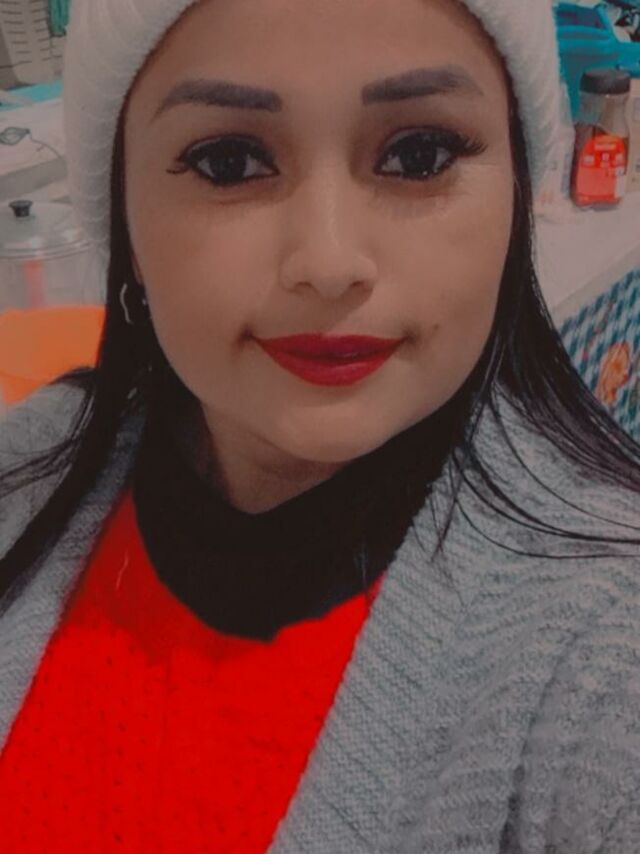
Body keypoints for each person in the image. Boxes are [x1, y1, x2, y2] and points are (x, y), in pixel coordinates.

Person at [1, 0, 640, 850]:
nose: (329, 263)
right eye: (229, 162)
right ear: (124, 215)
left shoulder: (603, 649)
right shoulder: (23, 474)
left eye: (420, 155)